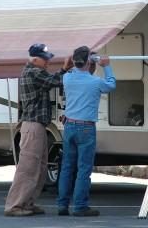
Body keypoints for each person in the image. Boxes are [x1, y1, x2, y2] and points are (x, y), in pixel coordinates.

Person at [4, 43, 73, 217]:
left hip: (37, 126)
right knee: (28, 169)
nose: (48, 62)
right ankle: (14, 206)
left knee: (40, 168)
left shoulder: (34, 71)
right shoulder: (34, 72)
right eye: (45, 59)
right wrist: (64, 69)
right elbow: (54, 81)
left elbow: (50, 80)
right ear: (35, 60)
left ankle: (28, 203)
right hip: (33, 126)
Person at [57, 46, 116, 217]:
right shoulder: (95, 82)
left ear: (74, 61)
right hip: (86, 127)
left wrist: (67, 65)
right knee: (84, 168)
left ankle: (62, 205)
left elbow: (64, 73)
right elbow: (111, 85)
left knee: (67, 167)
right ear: (89, 62)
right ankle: (80, 206)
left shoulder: (67, 78)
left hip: (69, 126)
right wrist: (106, 66)